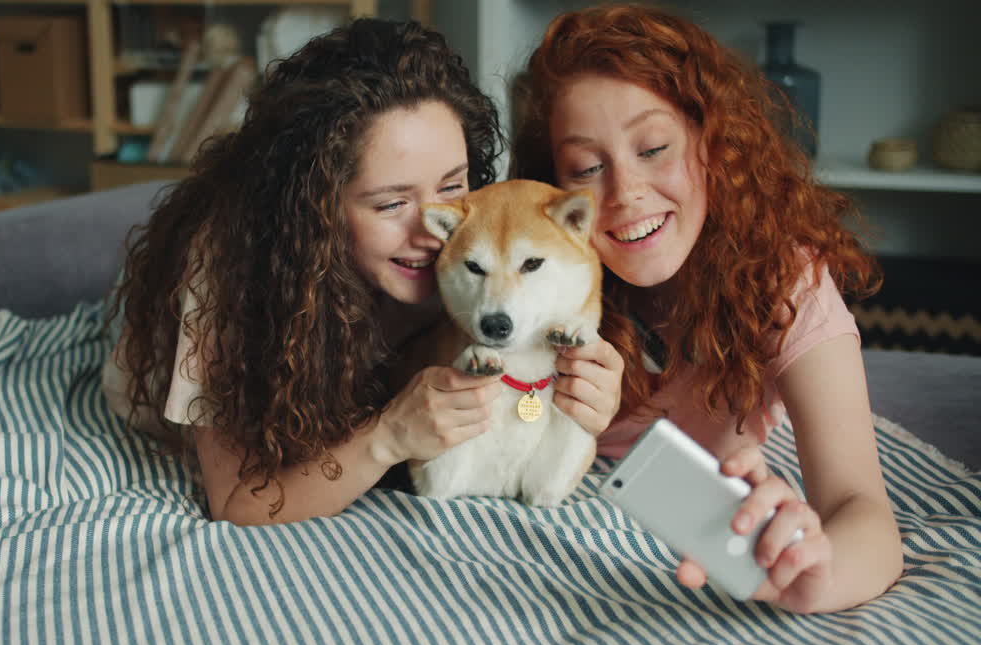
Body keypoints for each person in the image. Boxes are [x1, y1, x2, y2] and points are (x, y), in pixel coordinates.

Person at [103, 18, 627, 527]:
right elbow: (240, 501)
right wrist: (387, 438)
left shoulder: (477, 243)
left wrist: (583, 399)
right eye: (391, 203)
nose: (433, 229)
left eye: (451, 185)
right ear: (318, 209)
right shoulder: (232, 276)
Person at [511, 5, 902, 613]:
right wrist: (540, 404)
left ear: (714, 145)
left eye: (654, 148)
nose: (625, 194)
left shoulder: (783, 279)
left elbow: (861, 507)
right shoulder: (534, 270)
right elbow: (509, 407)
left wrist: (816, 575)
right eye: (587, 168)